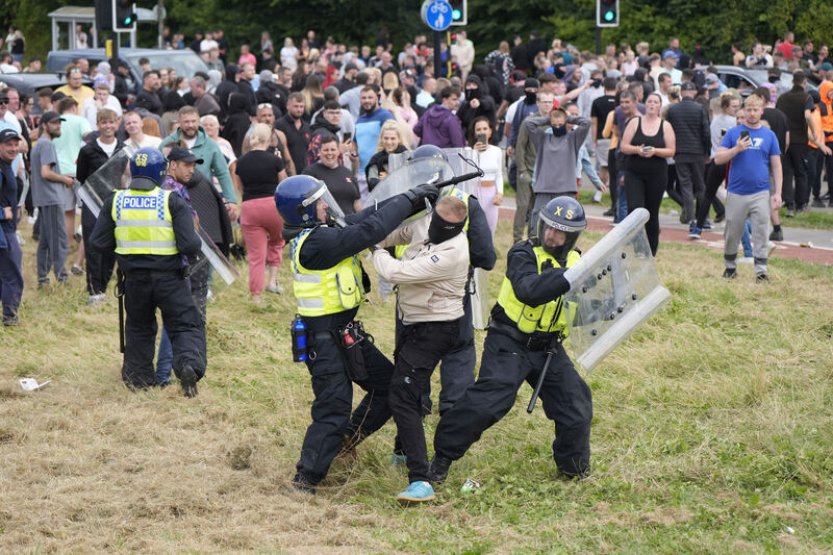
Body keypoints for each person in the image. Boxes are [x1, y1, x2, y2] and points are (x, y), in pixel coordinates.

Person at [274, 174, 440, 494]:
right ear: (304, 212)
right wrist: (408, 200)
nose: (327, 205)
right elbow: (370, 230)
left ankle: (346, 440)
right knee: (333, 408)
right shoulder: (317, 243)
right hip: (324, 340)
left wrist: (411, 196)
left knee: (387, 386)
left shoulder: (323, 232)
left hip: (343, 332)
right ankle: (305, 480)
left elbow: (366, 216)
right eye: (319, 202)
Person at [427, 196, 593, 484]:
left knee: (576, 403)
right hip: (509, 342)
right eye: (548, 227)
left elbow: (584, 308)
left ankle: (573, 469)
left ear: (572, 237)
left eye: (560, 232)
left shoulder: (579, 261)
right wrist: (570, 276)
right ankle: (441, 458)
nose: (551, 235)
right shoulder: (522, 253)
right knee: (489, 403)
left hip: (548, 348)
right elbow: (529, 291)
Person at [372, 195, 470, 503]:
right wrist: (376, 232)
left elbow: (396, 273)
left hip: (436, 328)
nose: (434, 228)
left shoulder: (453, 252)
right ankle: (403, 452)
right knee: (410, 387)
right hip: (412, 320)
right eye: (434, 220)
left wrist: (375, 249)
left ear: (457, 227)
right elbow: (400, 233)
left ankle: (420, 480)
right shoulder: (428, 222)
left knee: (401, 393)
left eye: (443, 225)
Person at [90, 148, 205, 396]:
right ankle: (188, 366)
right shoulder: (170, 200)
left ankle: (139, 381)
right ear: (162, 172)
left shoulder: (116, 200)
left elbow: (98, 243)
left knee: (138, 328)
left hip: (134, 280)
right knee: (184, 325)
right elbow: (190, 245)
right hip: (170, 279)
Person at [715, 94, 782, 282]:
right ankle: (730, 267)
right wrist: (736, 149)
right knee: (733, 231)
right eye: (749, 110)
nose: (752, 113)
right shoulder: (733, 133)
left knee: (761, 230)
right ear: (743, 111)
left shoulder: (769, 135)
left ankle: (761, 271)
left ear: (762, 111)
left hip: (760, 191)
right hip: (736, 191)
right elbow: (718, 159)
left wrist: (778, 192)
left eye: (755, 110)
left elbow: (776, 166)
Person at [234, 123, 288, 302]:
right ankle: (272, 281)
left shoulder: (241, 161)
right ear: (269, 139)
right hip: (272, 205)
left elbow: (240, 188)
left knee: (256, 256)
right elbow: (284, 184)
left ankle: (256, 296)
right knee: (277, 242)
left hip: (250, 207)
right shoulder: (275, 160)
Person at [75, 108, 123, 305]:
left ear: (117, 124)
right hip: (92, 203)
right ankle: (94, 291)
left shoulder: (123, 149)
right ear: (98, 125)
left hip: (116, 203)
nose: (108, 126)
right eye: (104, 122)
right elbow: (81, 176)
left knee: (112, 245)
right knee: (93, 243)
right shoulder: (87, 150)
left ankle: (103, 285)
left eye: (111, 122)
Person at [619, 92, 676, 255]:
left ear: (659, 106)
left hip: (656, 174)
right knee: (635, 209)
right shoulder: (634, 122)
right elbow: (624, 146)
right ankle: (637, 247)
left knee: (652, 211)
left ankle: (651, 250)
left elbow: (671, 150)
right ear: (645, 105)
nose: (652, 104)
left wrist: (655, 151)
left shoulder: (665, 126)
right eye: (649, 101)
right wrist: (637, 150)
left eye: (655, 102)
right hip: (634, 173)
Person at [524, 105, 591, 236]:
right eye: (554, 125)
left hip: (566, 189)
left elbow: (586, 123)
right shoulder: (542, 139)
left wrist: (567, 117)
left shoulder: (573, 138)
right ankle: (534, 242)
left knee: (565, 223)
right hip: (544, 188)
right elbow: (529, 123)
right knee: (537, 219)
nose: (557, 127)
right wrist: (548, 118)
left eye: (560, 124)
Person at [160, 106, 238, 215]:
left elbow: (222, 172)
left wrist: (231, 199)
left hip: (203, 197)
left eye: (193, 121)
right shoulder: (168, 143)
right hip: (174, 197)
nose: (190, 125)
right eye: (186, 122)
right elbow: (159, 170)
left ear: (198, 122)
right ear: (179, 122)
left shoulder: (210, 144)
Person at [31, 111, 74, 287]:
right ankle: (62, 277)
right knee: (58, 239)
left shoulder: (40, 144)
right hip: (51, 198)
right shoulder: (46, 144)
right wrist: (65, 180)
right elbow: (46, 172)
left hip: (45, 198)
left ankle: (42, 279)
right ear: (44, 125)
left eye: (59, 123)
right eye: (54, 123)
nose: (58, 126)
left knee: (46, 240)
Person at [691, 92, 741, 239]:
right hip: (728, 160)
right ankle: (736, 227)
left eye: (738, 107)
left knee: (709, 194)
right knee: (731, 194)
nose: (737, 110)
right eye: (734, 107)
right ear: (725, 107)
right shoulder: (733, 122)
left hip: (715, 159)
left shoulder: (715, 120)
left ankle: (699, 227)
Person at [666, 81, 710, 231]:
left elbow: (670, 131)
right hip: (697, 152)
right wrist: (707, 151)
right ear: (694, 92)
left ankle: (691, 218)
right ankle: (703, 218)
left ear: (681, 92)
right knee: (701, 186)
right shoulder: (700, 108)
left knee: (686, 186)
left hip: (680, 151)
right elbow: (706, 132)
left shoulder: (673, 110)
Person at [303, 135, 360, 215]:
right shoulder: (310, 173)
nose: (329, 153)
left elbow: (357, 202)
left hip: (351, 221)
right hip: (327, 221)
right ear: (319, 152)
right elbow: (305, 201)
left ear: (338, 151)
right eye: (326, 150)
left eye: (333, 150)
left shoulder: (347, 172)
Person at [0, 128, 23, 326]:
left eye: (16, 144)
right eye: (8, 144)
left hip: (8, 229)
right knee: (13, 274)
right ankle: (10, 316)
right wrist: (2, 213)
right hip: (3, 231)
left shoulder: (7, 165)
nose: (13, 148)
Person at [467, 116, 504, 235]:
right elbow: (468, 172)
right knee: (474, 227)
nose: (482, 132)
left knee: (490, 228)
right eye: (478, 129)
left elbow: (499, 174)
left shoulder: (497, 151)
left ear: (490, 131)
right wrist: (474, 153)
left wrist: (500, 193)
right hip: (475, 192)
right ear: (474, 133)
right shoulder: (469, 152)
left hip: (492, 193)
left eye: (485, 129)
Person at [365, 119, 409, 191]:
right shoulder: (376, 159)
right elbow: (373, 183)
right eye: (386, 138)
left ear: (399, 139)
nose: (389, 142)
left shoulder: (407, 157)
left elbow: (411, 179)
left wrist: (388, 178)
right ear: (381, 139)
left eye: (393, 138)